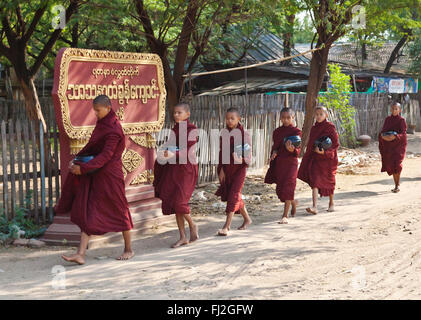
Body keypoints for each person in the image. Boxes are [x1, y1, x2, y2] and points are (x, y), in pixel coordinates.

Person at [56, 95, 134, 265]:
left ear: (107, 107)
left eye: (98, 111)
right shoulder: (102, 124)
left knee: (120, 209)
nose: (96, 114)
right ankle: (81, 253)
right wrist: (77, 158)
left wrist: (83, 168)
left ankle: (128, 249)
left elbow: (106, 155)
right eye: (95, 111)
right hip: (97, 173)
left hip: (111, 176)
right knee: (90, 210)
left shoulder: (113, 129)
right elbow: (92, 145)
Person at [153, 103, 199, 248]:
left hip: (186, 170)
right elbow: (169, 146)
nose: (176, 115)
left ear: (187, 114)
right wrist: (164, 152)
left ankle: (192, 225)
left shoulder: (192, 130)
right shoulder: (175, 130)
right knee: (174, 202)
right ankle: (182, 236)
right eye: (174, 113)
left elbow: (188, 151)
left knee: (180, 202)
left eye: (179, 113)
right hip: (173, 169)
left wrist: (174, 153)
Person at [215, 107, 253, 236]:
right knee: (234, 195)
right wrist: (221, 169)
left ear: (239, 119)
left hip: (239, 169)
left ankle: (227, 226)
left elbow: (248, 153)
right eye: (227, 118)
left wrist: (242, 158)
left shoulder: (244, 134)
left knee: (234, 195)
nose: (229, 121)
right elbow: (222, 153)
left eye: (232, 118)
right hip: (228, 169)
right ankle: (247, 219)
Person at [298, 106, 339, 214]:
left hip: (328, 159)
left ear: (326, 115)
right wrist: (310, 155)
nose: (319, 116)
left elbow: (335, 144)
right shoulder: (314, 128)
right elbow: (311, 144)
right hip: (316, 158)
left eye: (321, 114)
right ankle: (314, 206)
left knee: (329, 181)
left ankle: (331, 203)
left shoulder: (330, 127)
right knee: (315, 181)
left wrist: (325, 152)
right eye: (317, 114)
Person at [264, 107, 302, 224]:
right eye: (283, 118)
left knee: (288, 187)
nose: (285, 120)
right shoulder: (277, 132)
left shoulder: (297, 132)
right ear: (280, 118)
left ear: (293, 118)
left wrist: (292, 150)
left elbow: (298, 149)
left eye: (288, 118)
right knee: (280, 191)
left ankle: (285, 215)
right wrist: (274, 153)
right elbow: (276, 147)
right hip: (280, 164)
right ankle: (293, 202)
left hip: (291, 163)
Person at [379, 102, 407, 193]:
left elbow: (403, 134)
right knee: (391, 164)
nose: (394, 111)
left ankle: (396, 185)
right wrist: (383, 136)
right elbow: (383, 131)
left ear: (400, 110)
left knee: (397, 165)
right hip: (389, 145)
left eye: (396, 109)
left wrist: (395, 137)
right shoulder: (388, 119)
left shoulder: (401, 120)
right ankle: (396, 184)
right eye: (393, 109)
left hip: (398, 146)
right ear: (390, 110)